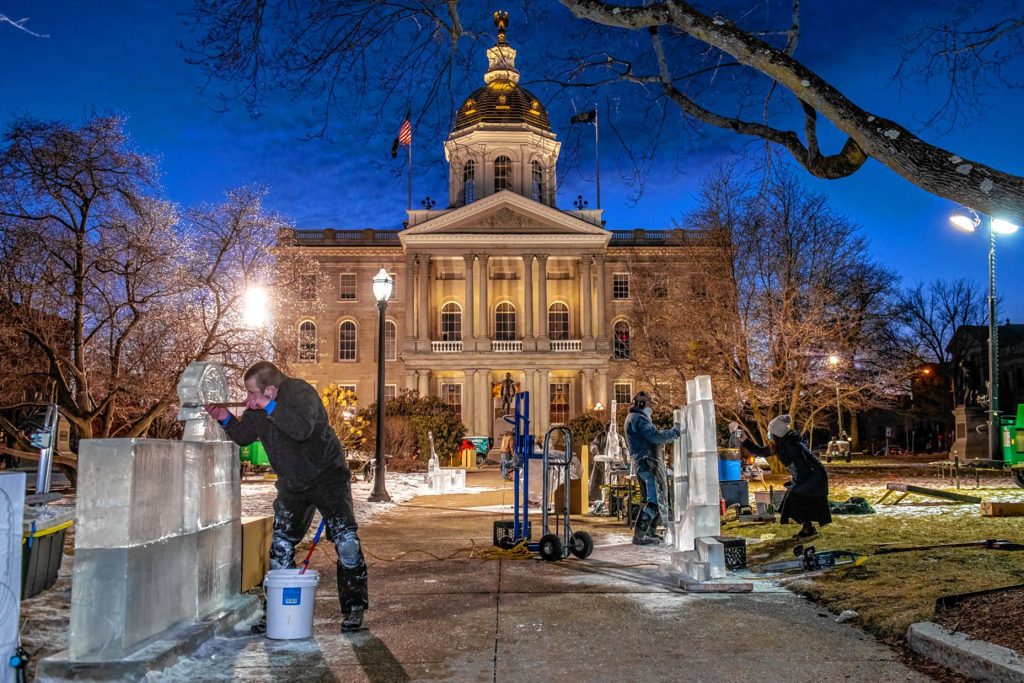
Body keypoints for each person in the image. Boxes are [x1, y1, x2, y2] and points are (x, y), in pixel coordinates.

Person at [206, 361, 369, 633]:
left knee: (346, 541)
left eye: (251, 393)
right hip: (293, 485)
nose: (247, 399)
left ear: (269, 390)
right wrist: (225, 418)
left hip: (327, 477)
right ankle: (278, 611)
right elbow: (245, 435)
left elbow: (301, 428)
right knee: (280, 547)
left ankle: (354, 609)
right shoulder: (259, 408)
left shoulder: (300, 393)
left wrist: (269, 407)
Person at [741, 414, 831, 538]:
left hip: (816, 476)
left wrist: (796, 483)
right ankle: (808, 528)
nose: (769, 435)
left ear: (777, 434)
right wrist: (744, 440)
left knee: (793, 499)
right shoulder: (781, 445)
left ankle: (808, 528)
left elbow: (804, 468)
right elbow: (761, 452)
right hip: (807, 476)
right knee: (790, 501)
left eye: (771, 432)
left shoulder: (793, 446)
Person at [623, 391, 682, 545]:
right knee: (654, 500)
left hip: (645, 464)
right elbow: (654, 436)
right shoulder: (638, 419)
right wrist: (674, 432)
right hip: (647, 464)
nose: (652, 407)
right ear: (641, 403)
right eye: (649, 403)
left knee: (653, 499)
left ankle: (649, 532)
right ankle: (640, 535)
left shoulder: (635, 418)